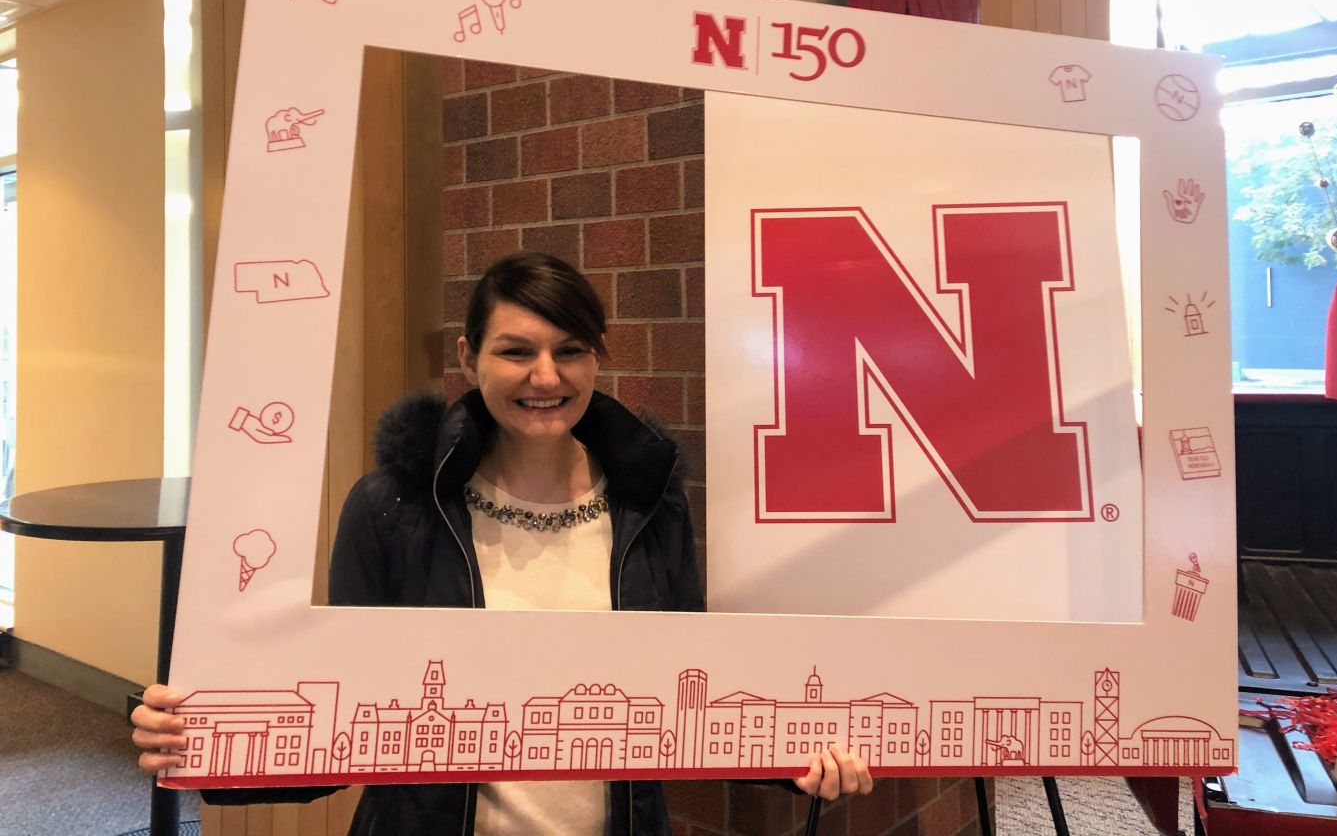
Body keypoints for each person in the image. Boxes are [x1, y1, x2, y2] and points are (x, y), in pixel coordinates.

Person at [132, 251, 872, 834]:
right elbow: (349, 717)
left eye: (570, 350)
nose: (546, 377)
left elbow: (689, 697)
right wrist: (204, 741)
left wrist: (798, 761)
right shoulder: (393, 508)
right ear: (468, 357)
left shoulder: (651, 504)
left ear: (597, 358)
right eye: (516, 351)